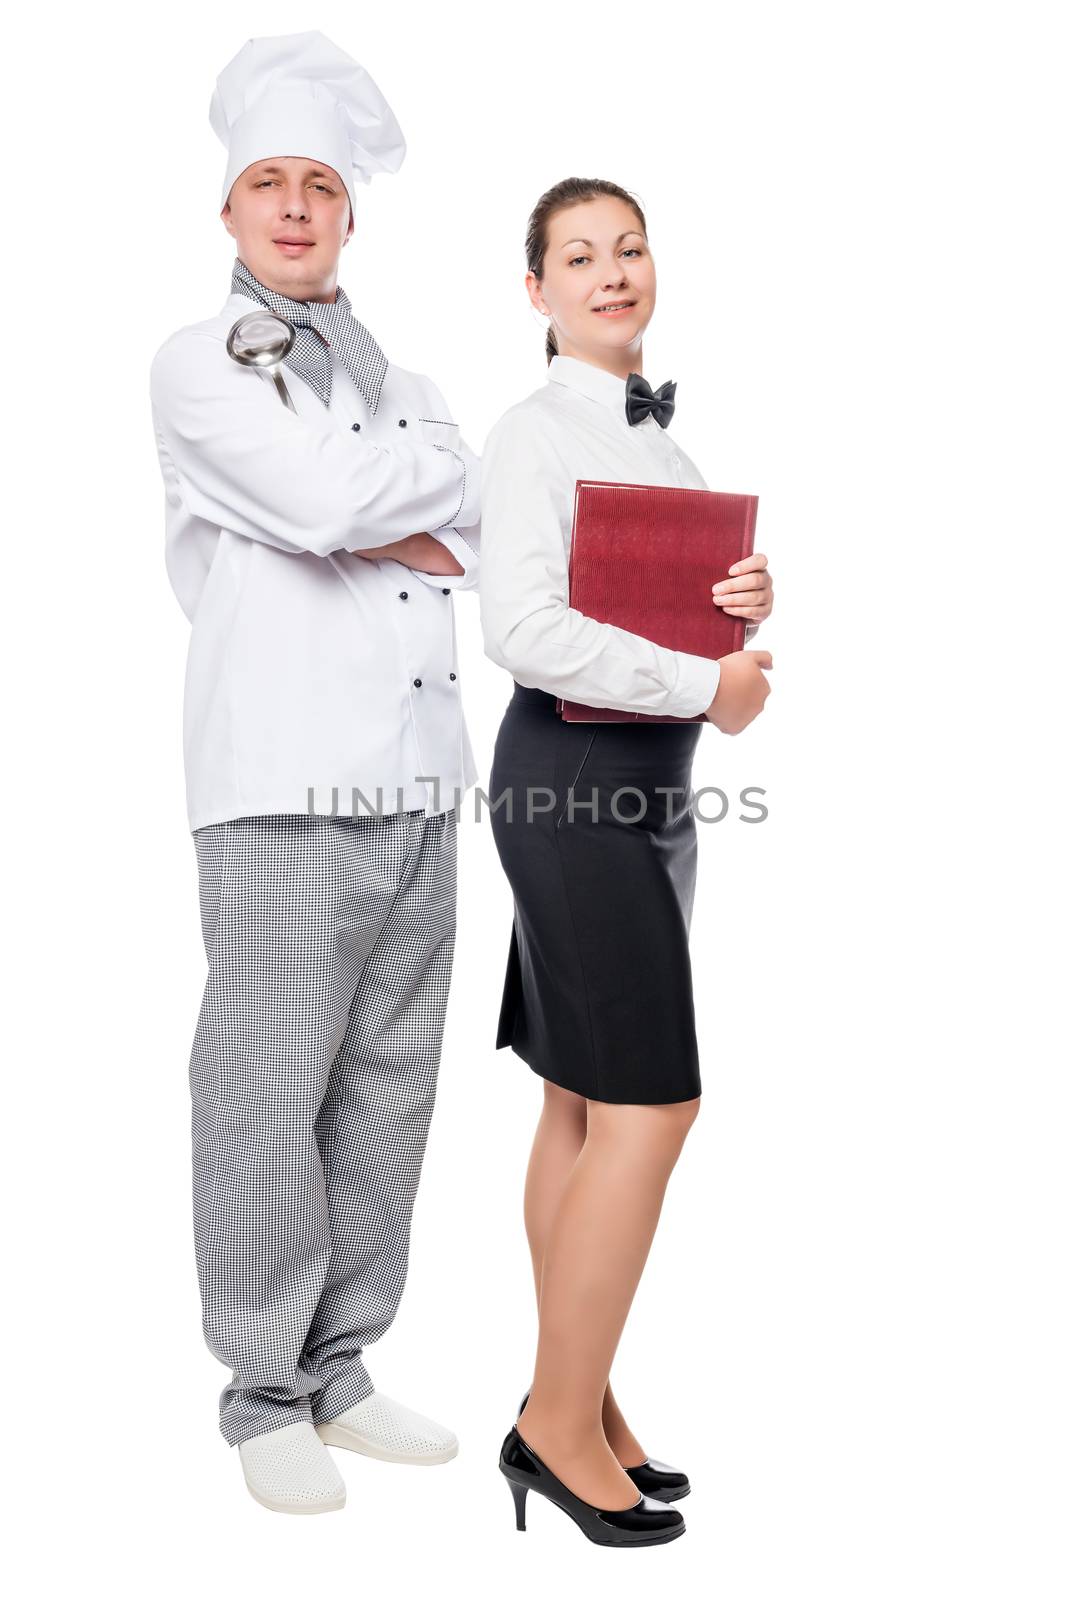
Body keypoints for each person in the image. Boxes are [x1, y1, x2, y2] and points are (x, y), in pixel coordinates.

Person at [147, 31, 482, 1515]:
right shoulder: (194, 363)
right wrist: (390, 505)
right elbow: (323, 495)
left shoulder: (408, 376)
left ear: (350, 214)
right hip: (281, 781)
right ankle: (261, 1389)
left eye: (319, 188)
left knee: (391, 1086)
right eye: (267, 185)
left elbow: (469, 531)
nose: (294, 208)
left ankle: (342, 1365)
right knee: (268, 1087)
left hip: (418, 780)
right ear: (230, 212)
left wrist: (390, 514)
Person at [478, 177, 774, 1546]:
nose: (611, 273)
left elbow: (664, 621)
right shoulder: (534, 431)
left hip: (644, 788)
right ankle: (554, 1420)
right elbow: (527, 631)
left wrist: (740, 615)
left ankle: (574, 1399)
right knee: (652, 1108)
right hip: (577, 780)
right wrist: (701, 684)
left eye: (629, 249)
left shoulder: (673, 450)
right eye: (578, 257)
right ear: (535, 293)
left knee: (585, 1105)